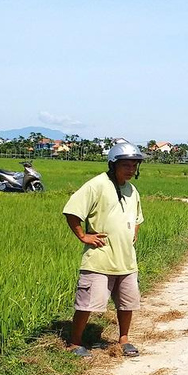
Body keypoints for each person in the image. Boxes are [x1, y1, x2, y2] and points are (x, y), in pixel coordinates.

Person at [62, 140, 145, 357]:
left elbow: (137, 216)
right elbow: (72, 211)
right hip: (99, 258)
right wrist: (83, 235)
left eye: (134, 165)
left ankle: (124, 339)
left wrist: (133, 230)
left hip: (126, 259)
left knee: (127, 303)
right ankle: (75, 342)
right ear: (113, 164)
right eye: (126, 165)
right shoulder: (97, 185)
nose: (131, 169)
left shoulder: (132, 189)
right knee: (87, 303)